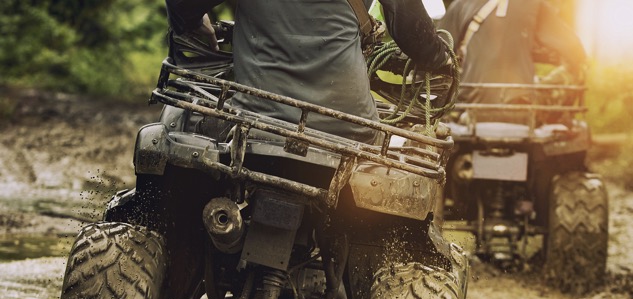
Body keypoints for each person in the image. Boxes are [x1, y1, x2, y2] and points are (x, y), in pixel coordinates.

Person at [165, 0, 451, 143]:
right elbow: (414, 36)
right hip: (351, 128)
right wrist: (442, 59)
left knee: (175, 121)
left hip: (256, 122)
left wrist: (194, 21)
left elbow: (181, 5)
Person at [438, 0, 588, 120]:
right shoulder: (534, 5)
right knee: (572, 74)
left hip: (467, 106)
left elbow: (439, 55)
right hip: (521, 106)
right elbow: (575, 50)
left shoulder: (460, 5)